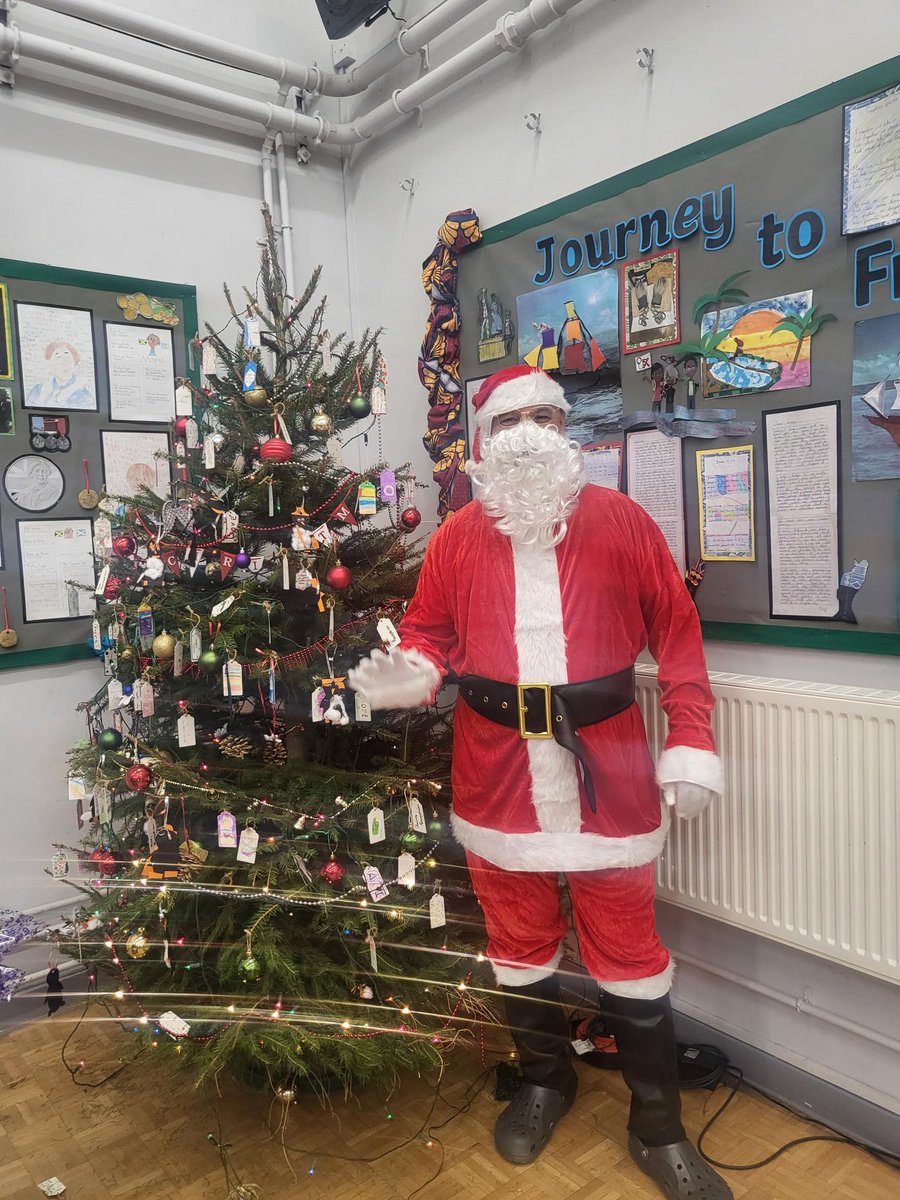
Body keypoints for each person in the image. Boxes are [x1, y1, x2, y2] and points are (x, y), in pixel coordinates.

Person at [349, 365, 731, 1200]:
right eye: (510, 417)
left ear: (567, 431)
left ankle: (656, 1125)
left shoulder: (624, 523)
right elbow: (428, 632)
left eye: (544, 416)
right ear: (485, 441)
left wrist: (692, 743)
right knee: (516, 943)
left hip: (610, 778)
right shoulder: (454, 537)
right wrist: (408, 671)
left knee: (630, 954)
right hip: (495, 775)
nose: (528, 430)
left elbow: (679, 638)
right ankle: (545, 1079)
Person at [26, 340, 94, 409]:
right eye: (58, 358)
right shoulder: (38, 390)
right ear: (50, 362)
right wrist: (41, 398)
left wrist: (63, 397)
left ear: (75, 362)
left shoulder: (83, 395)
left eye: (67, 358)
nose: (64, 363)